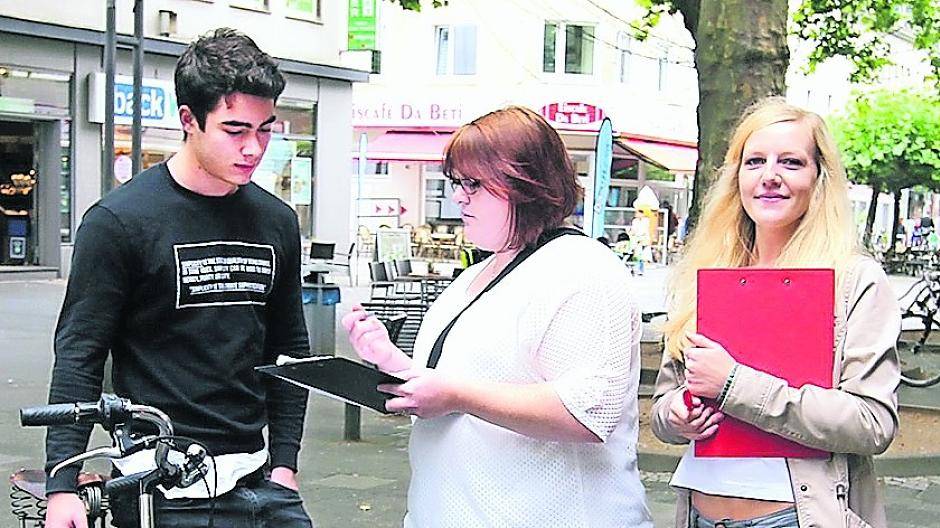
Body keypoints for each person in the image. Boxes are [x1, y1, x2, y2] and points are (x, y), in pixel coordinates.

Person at [43, 28, 314, 528]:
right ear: (188, 119)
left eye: (266, 129)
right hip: (160, 491)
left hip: (261, 485)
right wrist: (61, 485)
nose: (254, 148)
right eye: (235, 130)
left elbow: (289, 346)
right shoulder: (119, 221)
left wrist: (285, 465)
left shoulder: (277, 221)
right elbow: (80, 352)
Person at [343, 106, 653, 527]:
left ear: (526, 184)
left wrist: (455, 394)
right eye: (458, 183)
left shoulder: (584, 270)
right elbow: (456, 386)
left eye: (474, 184)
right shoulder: (476, 273)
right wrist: (391, 362)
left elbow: (588, 411)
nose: (458, 197)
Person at [650, 97, 900, 528]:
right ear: (736, 178)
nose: (769, 177)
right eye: (754, 162)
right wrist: (677, 415)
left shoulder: (853, 279)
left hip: (792, 517)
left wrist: (734, 385)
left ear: (819, 178)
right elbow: (663, 411)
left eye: (790, 162)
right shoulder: (707, 273)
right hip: (699, 515)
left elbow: (873, 422)